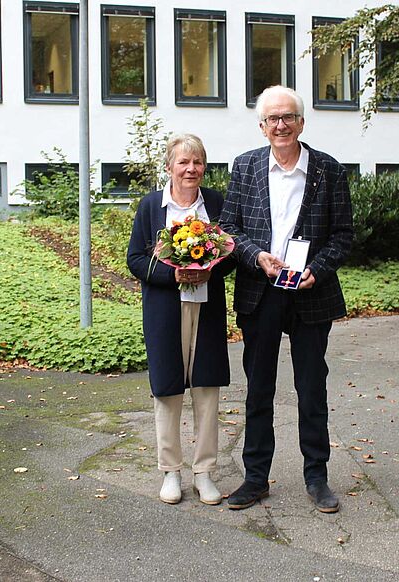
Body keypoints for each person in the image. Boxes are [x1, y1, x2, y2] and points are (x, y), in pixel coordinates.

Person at [219, 85, 353, 513]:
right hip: (261, 291)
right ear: (262, 126)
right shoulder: (245, 168)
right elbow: (228, 228)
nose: (281, 125)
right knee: (259, 389)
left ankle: (317, 477)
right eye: (272, 119)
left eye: (288, 117)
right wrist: (256, 255)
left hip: (311, 293)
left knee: (311, 388)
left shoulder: (329, 170)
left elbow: (344, 234)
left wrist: (319, 268)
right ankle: (255, 477)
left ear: (301, 122)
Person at [127, 134, 232, 506]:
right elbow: (136, 260)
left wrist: (210, 269)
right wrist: (172, 274)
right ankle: (170, 470)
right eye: (183, 162)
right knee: (168, 389)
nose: (191, 169)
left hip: (207, 306)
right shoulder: (152, 206)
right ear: (169, 167)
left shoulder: (217, 203)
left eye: (198, 162)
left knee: (206, 389)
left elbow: (231, 252)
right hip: (164, 309)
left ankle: (204, 472)